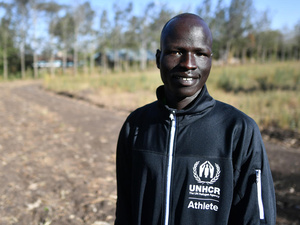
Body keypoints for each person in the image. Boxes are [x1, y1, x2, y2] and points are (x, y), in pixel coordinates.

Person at [115, 13, 276, 225]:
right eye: (176, 51)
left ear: (210, 60)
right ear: (157, 58)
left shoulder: (238, 130)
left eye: (200, 54)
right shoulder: (136, 126)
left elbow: (256, 218)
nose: (188, 64)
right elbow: (125, 210)